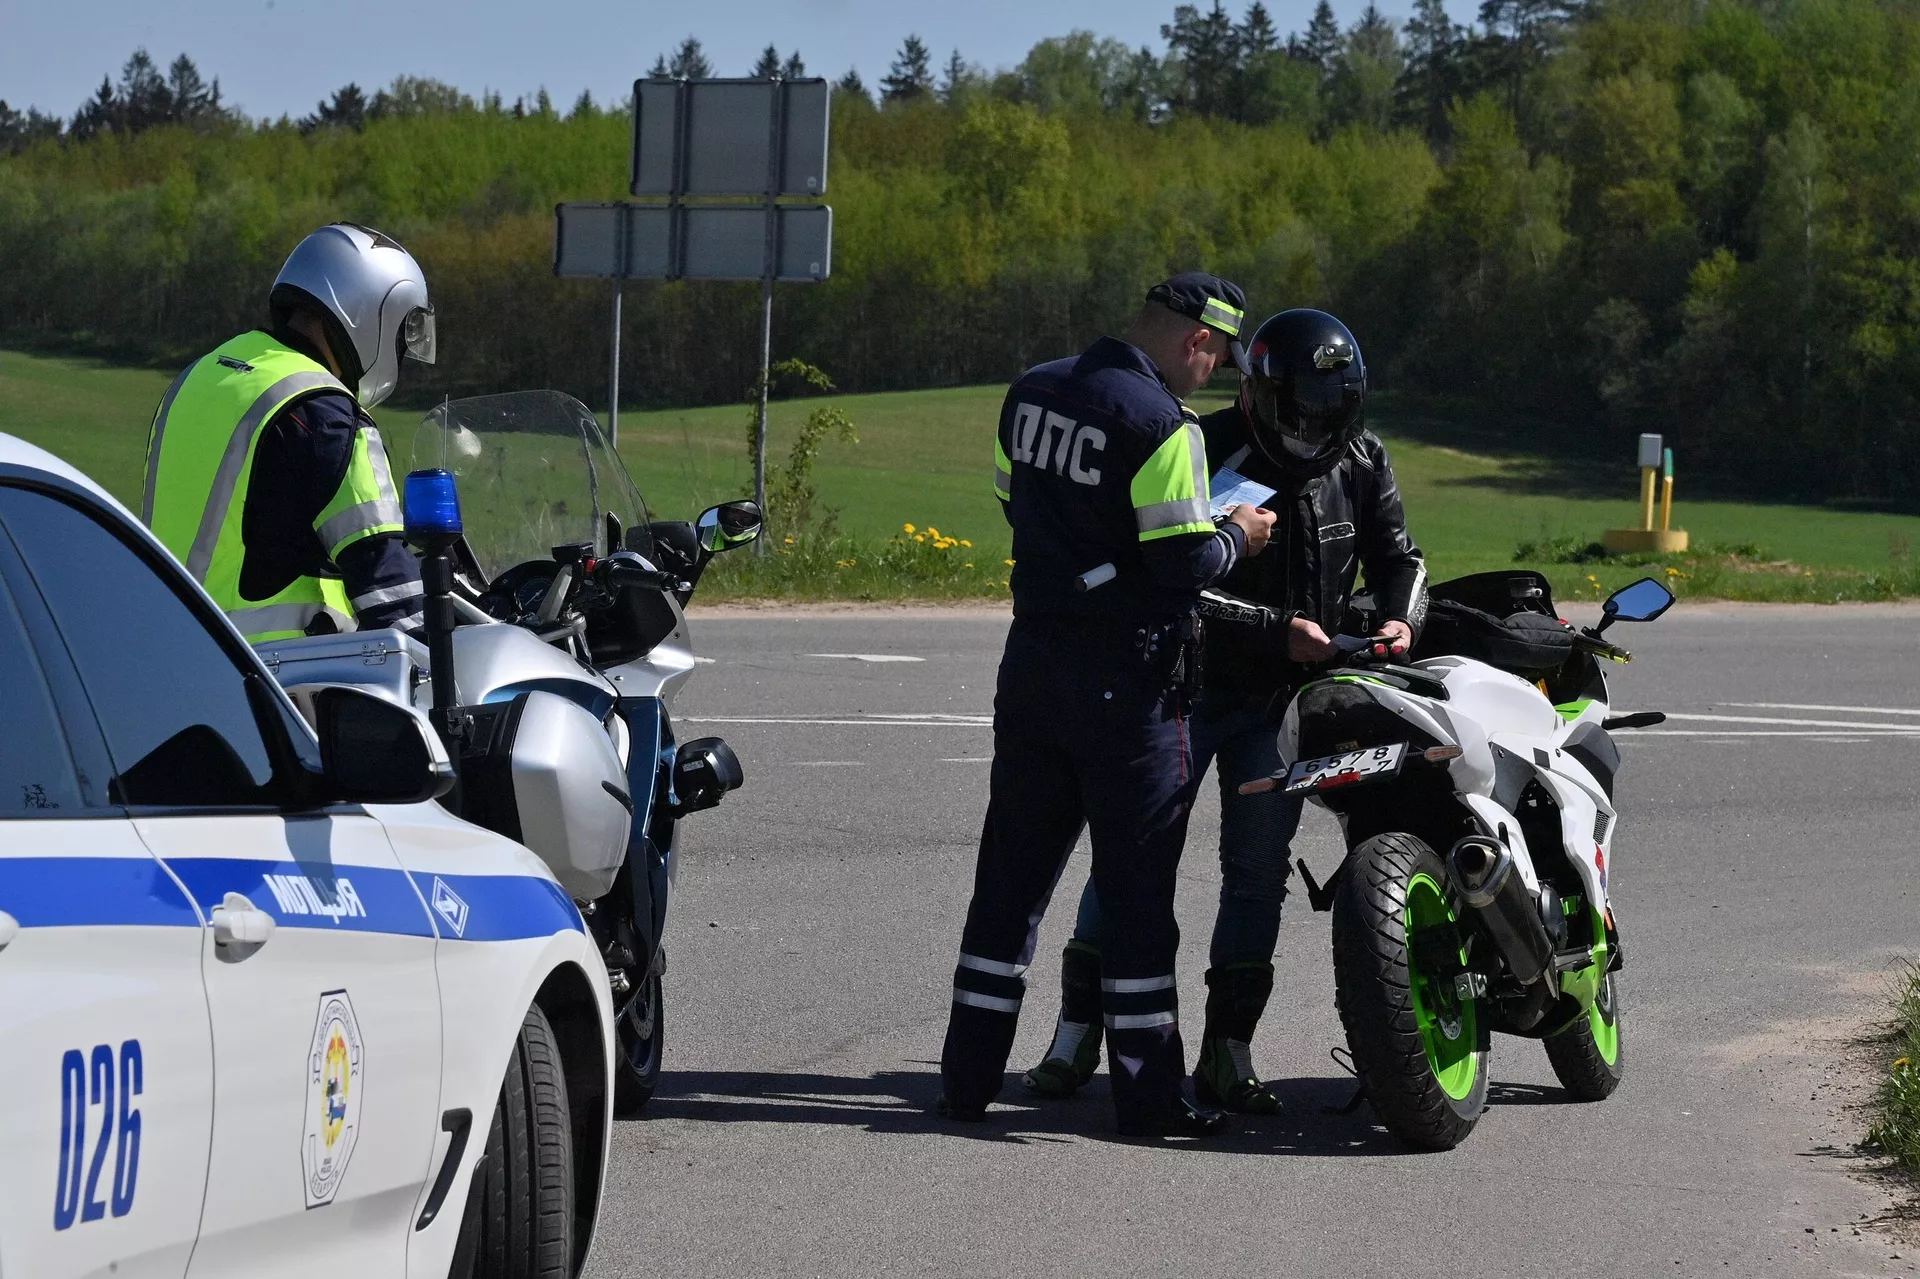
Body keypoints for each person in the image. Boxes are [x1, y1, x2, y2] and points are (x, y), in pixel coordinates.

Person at [1023, 307, 1426, 1114]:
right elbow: (1167, 578)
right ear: (1259, 394)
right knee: (1129, 859)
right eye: (1298, 409)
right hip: (1188, 688)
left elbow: (1400, 557)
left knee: (1256, 876)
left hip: (1284, 707)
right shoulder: (1197, 449)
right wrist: (1279, 630)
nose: (1313, 427)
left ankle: (1227, 1051)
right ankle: (1075, 1033)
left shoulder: (1365, 456)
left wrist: (1401, 616)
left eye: (1328, 410)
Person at [938, 273, 1277, 1140]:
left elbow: (1013, 500)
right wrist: (1239, 533)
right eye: (1216, 358)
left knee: (1007, 885)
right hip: (1127, 683)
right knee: (1136, 900)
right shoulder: (1166, 426)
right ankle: (1150, 1100)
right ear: (1197, 341)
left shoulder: (1032, 390)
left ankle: (968, 1079)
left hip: (1033, 663)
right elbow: (1181, 564)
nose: (1211, 374)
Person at [143, 223, 436, 643]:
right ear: (371, 313)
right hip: (272, 684)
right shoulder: (326, 416)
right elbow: (392, 593)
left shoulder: (200, 378)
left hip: (165, 654)